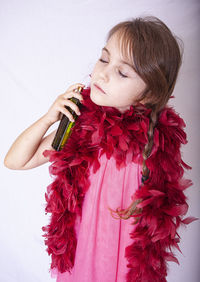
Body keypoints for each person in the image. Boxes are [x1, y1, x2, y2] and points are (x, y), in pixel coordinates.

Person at [4, 16, 195, 282]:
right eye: (104, 59)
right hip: (80, 261)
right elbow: (15, 161)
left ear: (149, 94)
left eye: (122, 72)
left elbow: (156, 228)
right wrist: (50, 118)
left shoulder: (154, 146)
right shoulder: (79, 125)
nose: (102, 73)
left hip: (123, 267)